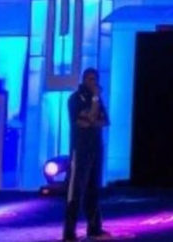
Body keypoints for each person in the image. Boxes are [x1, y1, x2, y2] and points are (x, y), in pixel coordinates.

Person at [64, 68, 110, 242]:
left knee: (93, 189)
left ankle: (94, 228)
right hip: (80, 151)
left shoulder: (96, 99)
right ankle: (69, 232)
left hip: (96, 149)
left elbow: (105, 121)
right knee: (76, 191)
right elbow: (86, 120)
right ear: (84, 80)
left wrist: (93, 118)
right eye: (90, 79)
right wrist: (93, 114)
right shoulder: (75, 99)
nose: (93, 83)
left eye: (95, 79)